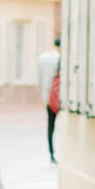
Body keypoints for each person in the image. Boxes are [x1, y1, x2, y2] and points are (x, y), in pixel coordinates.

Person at [38, 33, 61, 163]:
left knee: (50, 126)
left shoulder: (42, 58)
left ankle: (51, 153)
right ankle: (57, 152)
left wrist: (43, 95)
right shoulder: (61, 57)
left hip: (48, 96)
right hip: (58, 96)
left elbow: (40, 79)